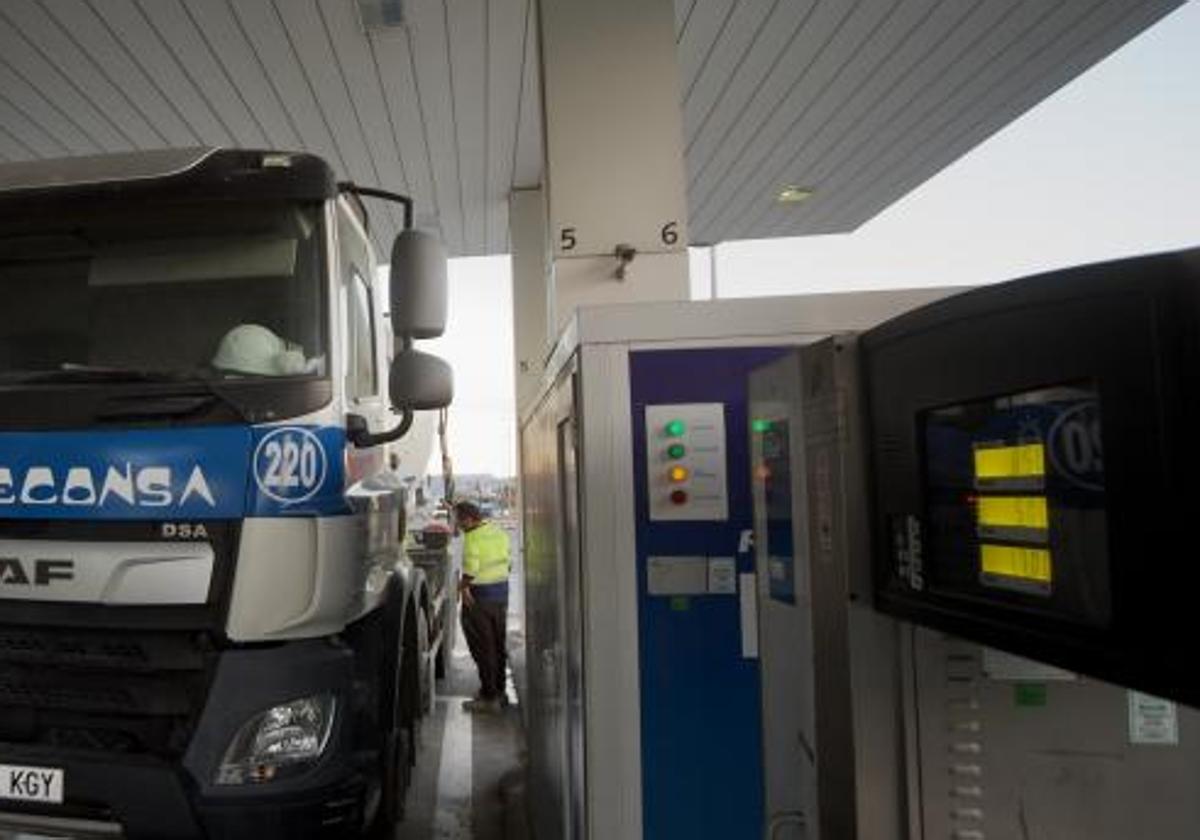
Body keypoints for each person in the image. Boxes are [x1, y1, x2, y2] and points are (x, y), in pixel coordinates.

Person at [455, 500, 512, 713]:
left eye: (459, 519)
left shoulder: (472, 539)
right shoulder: (498, 532)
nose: (458, 524)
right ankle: (500, 692)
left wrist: (462, 587)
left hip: (480, 598)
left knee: (482, 645)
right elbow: (508, 563)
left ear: (469, 519)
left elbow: (471, 569)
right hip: (501, 595)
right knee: (498, 644)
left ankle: (489, 697)